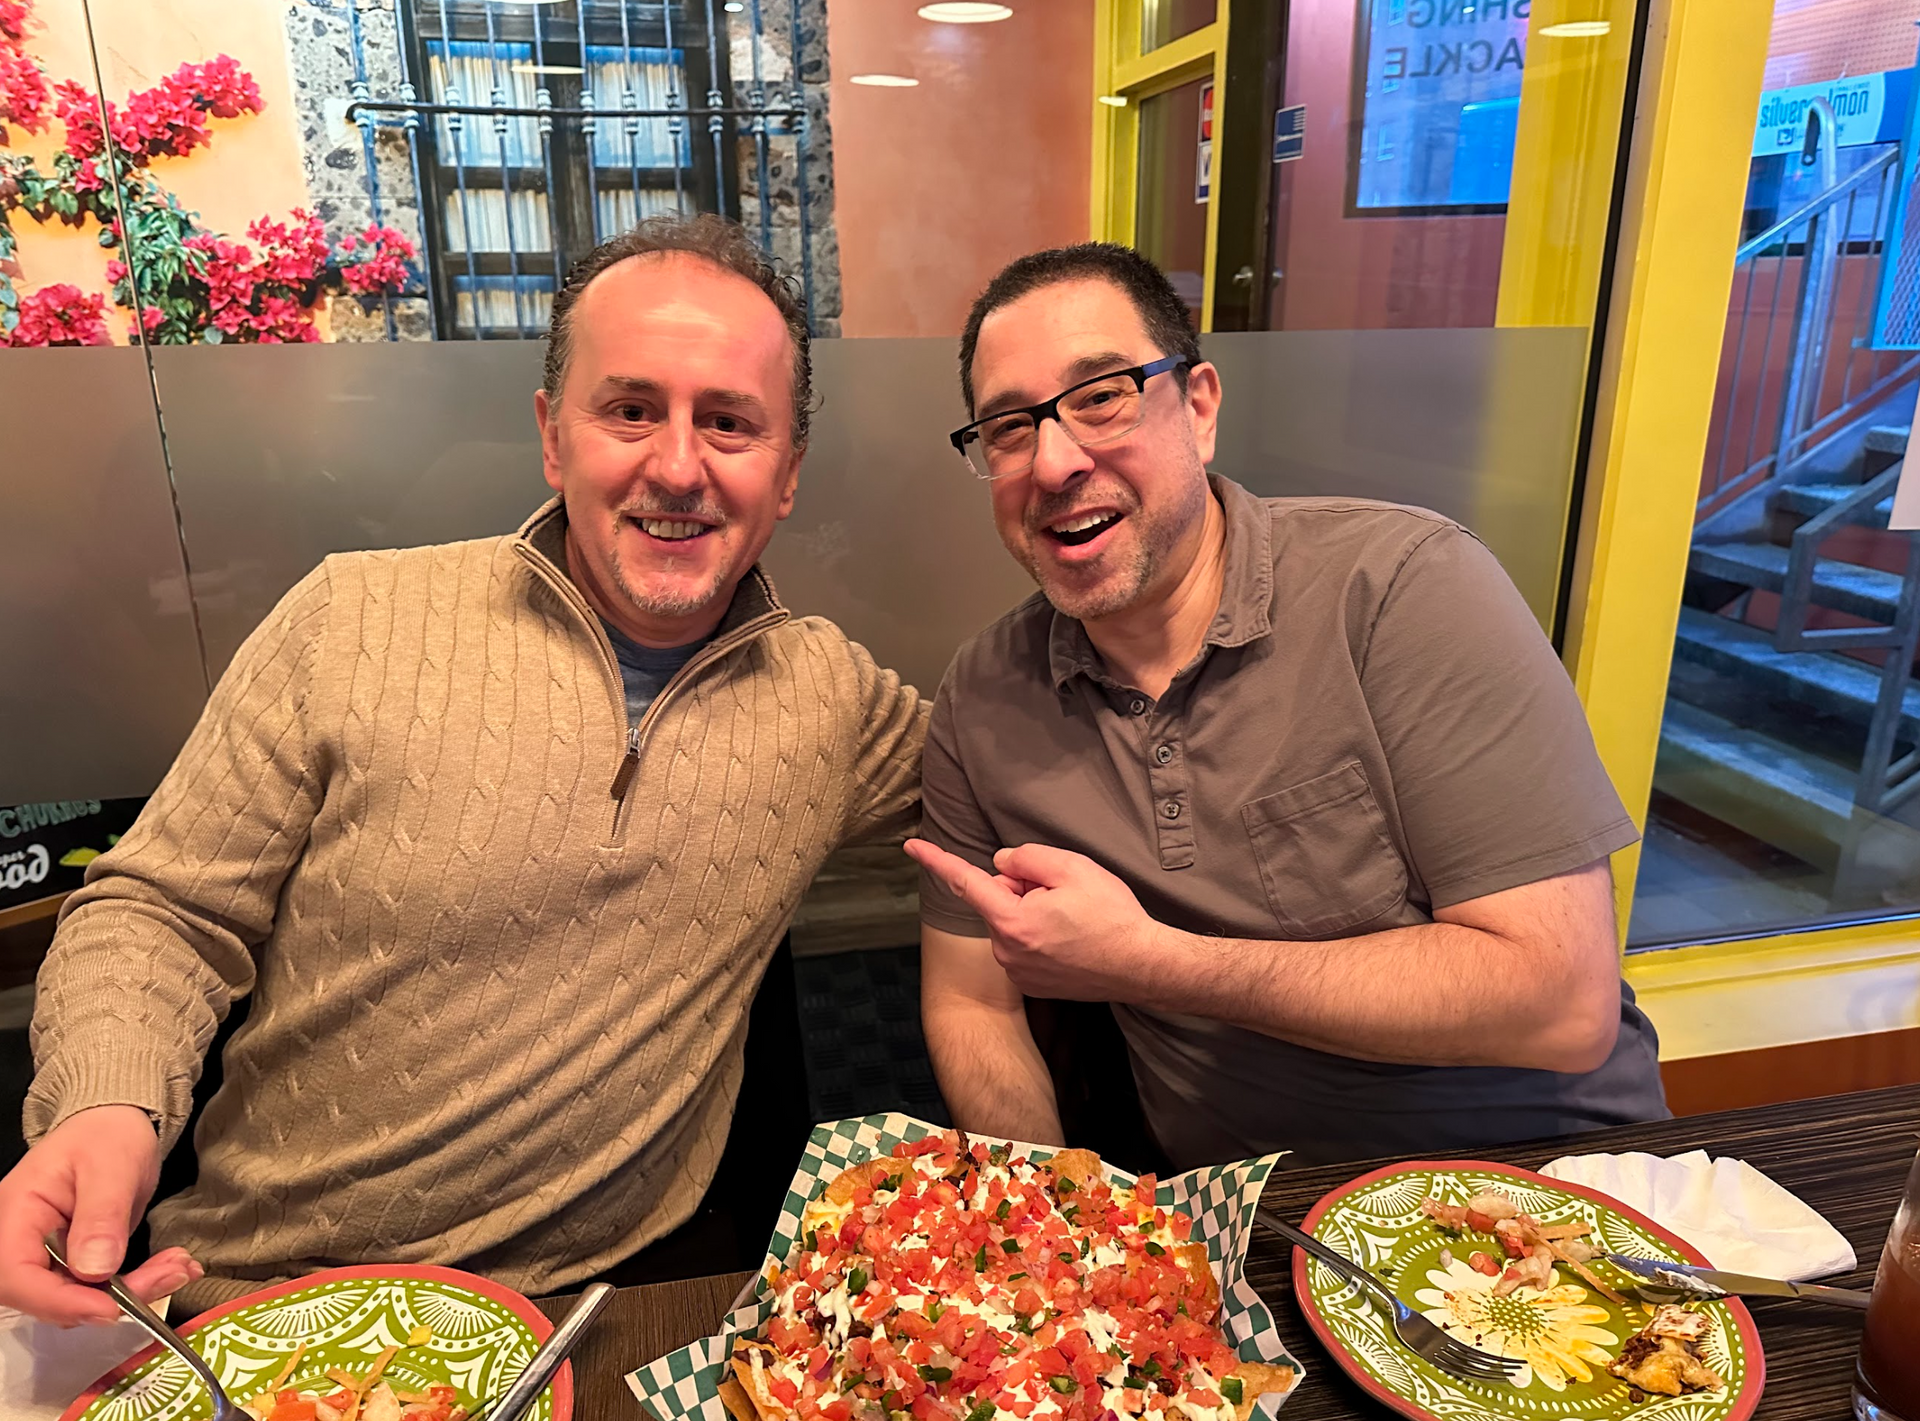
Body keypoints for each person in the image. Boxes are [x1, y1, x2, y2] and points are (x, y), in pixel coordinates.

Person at [2, 214, 926, 1325]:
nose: (677, 466)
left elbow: (1030, 764)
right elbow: (161, 907)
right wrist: (104, 1100)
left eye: (730, 423)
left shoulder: (831, 700)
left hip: (597, 1311)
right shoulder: (352, 616)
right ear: (551, 434)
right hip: (252, 1301)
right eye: (629, 409)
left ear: (787, 474)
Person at [908, 243, 1667, 1171]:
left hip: (1542, 1185)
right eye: (1009, 429)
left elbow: (1563, 1003)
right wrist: (1056, 1222)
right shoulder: (983, 697)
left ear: (1198, 406)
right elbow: (971, 998)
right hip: (1238, 1222)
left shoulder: (1404, 590)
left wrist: (1152, 961)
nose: (1055, 460)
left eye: (1101, 395)